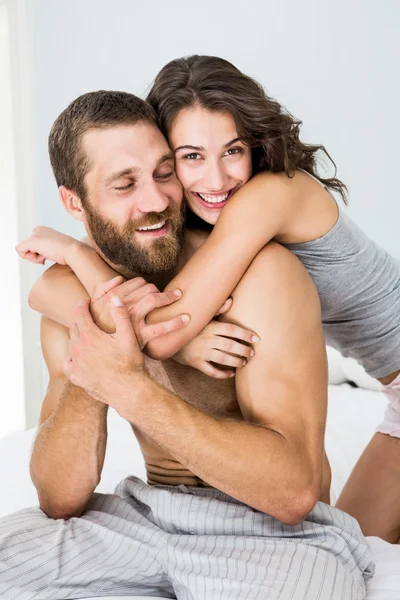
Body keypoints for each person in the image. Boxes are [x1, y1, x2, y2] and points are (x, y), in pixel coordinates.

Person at [0, 91, 373, 599]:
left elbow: (293, 492)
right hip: (148, 514)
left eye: (163, 172)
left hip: (270, 531)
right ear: (74, 203)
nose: (154, 201)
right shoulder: (75, 302)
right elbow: (59, 497)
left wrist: (128, 385)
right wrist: (97, 364)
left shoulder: (260, 275)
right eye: (124, 184)